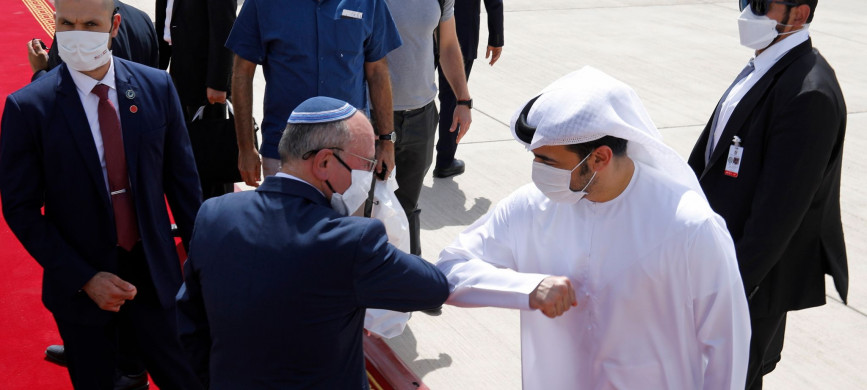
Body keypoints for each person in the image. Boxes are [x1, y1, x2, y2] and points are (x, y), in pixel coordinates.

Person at [436, 67, 751, 389]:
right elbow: (450, 268)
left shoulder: (689, 227)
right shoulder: (531, 207)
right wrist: (526, 288)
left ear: (599, 157)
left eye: (548, 162)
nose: (537, 172)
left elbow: (727, 342)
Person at [176, 96, 449, 388]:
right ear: (324, 162)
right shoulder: (351, 241)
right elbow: (433, 288)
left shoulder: (214, 214)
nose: (370, 177)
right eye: (367, 165)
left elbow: (190, 326)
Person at [0, 0, 204, 388]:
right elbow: (20, 207)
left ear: (113, 26)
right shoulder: (29, 108)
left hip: (156, 278)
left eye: (89, 23)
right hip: (82, 293)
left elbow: (184, 185)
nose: (76, 34)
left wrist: (202, 269)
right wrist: (85, 278)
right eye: (66, 23)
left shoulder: (156, 87)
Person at [686, 1, 847, 388]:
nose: (746, 13)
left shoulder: (810, 94)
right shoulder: (764, 66)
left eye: (760, 4)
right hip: (711, 270)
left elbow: (774, 223)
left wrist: (722, 299)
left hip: (745, 290)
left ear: (799, 14)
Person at [225, 0, 401, 187]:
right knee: (286, 217)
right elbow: (242, 72)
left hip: (351, 155)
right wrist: (245, 147)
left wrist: (387, 140)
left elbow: (377, 71)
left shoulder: (369, 2)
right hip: (284, 155)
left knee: (348, 217)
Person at [383, 0, 473, 256]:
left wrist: (463, 99)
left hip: (421, 117)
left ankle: (409, 275)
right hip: (373, 118)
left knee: (408, 205)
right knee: (366, 204)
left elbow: (447, 45)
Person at [156, 0, 238, 198]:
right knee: (185, 152)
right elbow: (165, 23)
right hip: (178, 68)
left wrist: (218, 83)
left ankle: (215, 215)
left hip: (205, 81)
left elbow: (225, 27)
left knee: (211, 156)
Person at [433, 0, 503, 178]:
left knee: (414, 92)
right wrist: (496, 36)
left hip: (423, 25)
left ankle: (400, 157)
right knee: (453, 98)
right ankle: (445, 160)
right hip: (462, 27)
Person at [27, 0, 159, 81]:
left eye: (91, 24)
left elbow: (57, 95)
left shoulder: (73, 27)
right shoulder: (142, 19)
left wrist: (40, 71)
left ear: (115, 25)